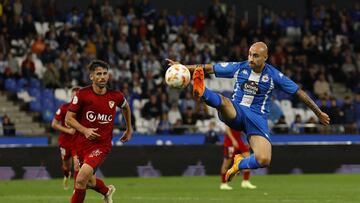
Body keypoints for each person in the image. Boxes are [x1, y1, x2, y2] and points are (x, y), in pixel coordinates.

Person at [166, 41, 330, 183]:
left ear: (265, 57)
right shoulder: (239, 67)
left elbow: (298, 92)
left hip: (257, 119)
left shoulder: (274, 75)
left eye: (256, 56)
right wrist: (183, 67)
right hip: (236, 111)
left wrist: (318, 112)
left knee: (264, 159)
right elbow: (208, 68)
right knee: (223, 102)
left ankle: (239, 164)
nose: (251, 58)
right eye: (250, 55)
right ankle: (203, 92)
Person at [65, 60, 133, 203]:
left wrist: (129, 128)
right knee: (88, 182)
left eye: (105, 73)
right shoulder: (82, 94)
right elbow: (68, 119)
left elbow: (126, 107)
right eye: (98, 74)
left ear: (108, 76)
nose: (102, 77)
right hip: (81, 145)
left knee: (81, 179)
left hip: (101, 146)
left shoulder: (116, 96)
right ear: (92, 77)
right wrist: (85, 130)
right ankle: (107, 191)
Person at [51, 86, 80, 190]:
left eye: (77, 95)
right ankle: (66, 175)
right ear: (71, 96)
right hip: (65, 141)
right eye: (73, 95)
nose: (75, 97)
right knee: (66, 166)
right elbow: (54, 124)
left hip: (77, 141)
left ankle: (77, 187)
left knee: (77, 164)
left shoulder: (84, 109)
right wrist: (68, 130)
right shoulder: (64, 108)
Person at [220, 126, 256, 190]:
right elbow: (227, 129)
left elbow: (242, 130)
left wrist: (247, 140)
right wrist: (233, 140)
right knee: (226, 164)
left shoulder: (239, 117)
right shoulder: (228, 117)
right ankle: (223, 184)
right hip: (230, 142)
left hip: (239, 141)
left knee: (249, 160)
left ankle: (245, 181)